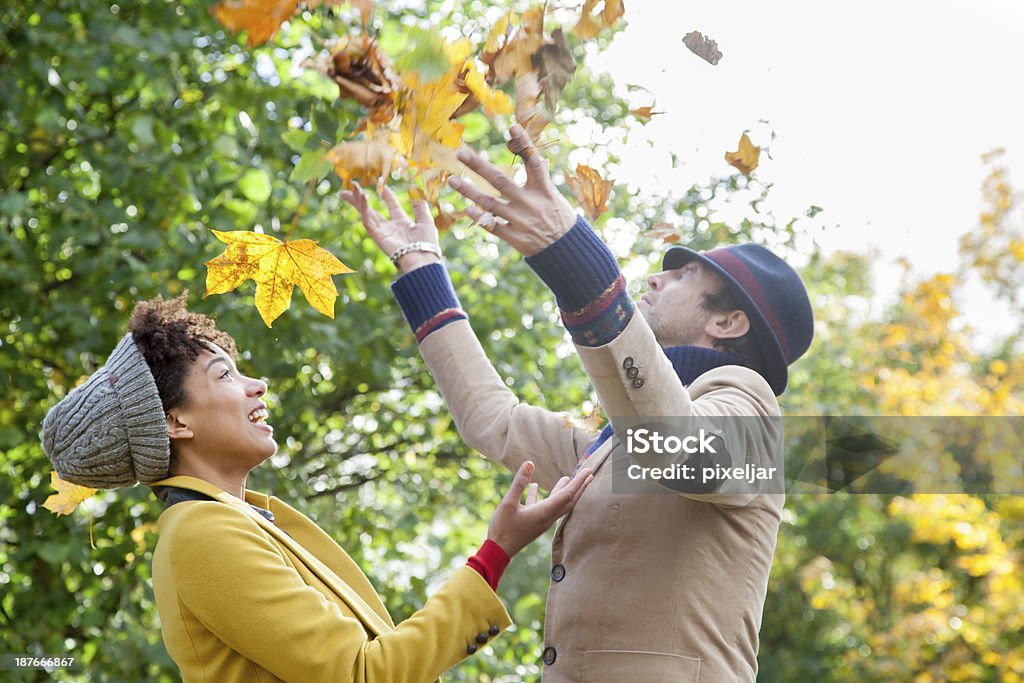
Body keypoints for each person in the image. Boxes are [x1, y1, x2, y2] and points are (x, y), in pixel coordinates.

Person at [342, 123, 814, 682]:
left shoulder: (753, 413)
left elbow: (675, 443)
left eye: (685, 275)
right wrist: (421, 269)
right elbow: (495, 422)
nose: (659, 279)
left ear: (728, 321)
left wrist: (572, 254)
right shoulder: (614, 438)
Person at [41, 293, 593, 683]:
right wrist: (495, 553)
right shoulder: (201, 533)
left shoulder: (242, 519)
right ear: (174, 423)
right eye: (224, 375)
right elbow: (364, 674)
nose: (257, 385)